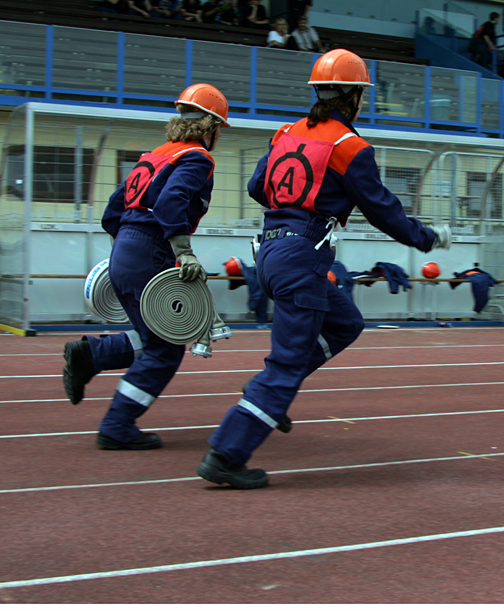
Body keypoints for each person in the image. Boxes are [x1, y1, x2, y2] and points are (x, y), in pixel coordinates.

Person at [195, 49, 451, 489]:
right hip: (303, 258)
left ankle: (269, 393)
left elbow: (259, 186)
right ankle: (227, 453)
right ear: (354, 96)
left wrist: (291, 209)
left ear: (316, 91)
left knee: (346, 322)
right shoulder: (349, 146)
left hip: (271, 252)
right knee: (286, 365)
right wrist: (428, 237)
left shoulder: (285, 133)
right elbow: (383, 210)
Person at [62, 84, 231, 450]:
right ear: (209, 126)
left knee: (153, 335)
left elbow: (112, 211)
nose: (219, 136)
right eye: (219, 128)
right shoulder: (197, 158)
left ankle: (91, 354)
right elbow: (171, 204)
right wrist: (182, 251)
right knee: (166, 349)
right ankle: (116, 425)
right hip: (151, 252)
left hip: (126, 249)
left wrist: (125, 247)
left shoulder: (154, 156)